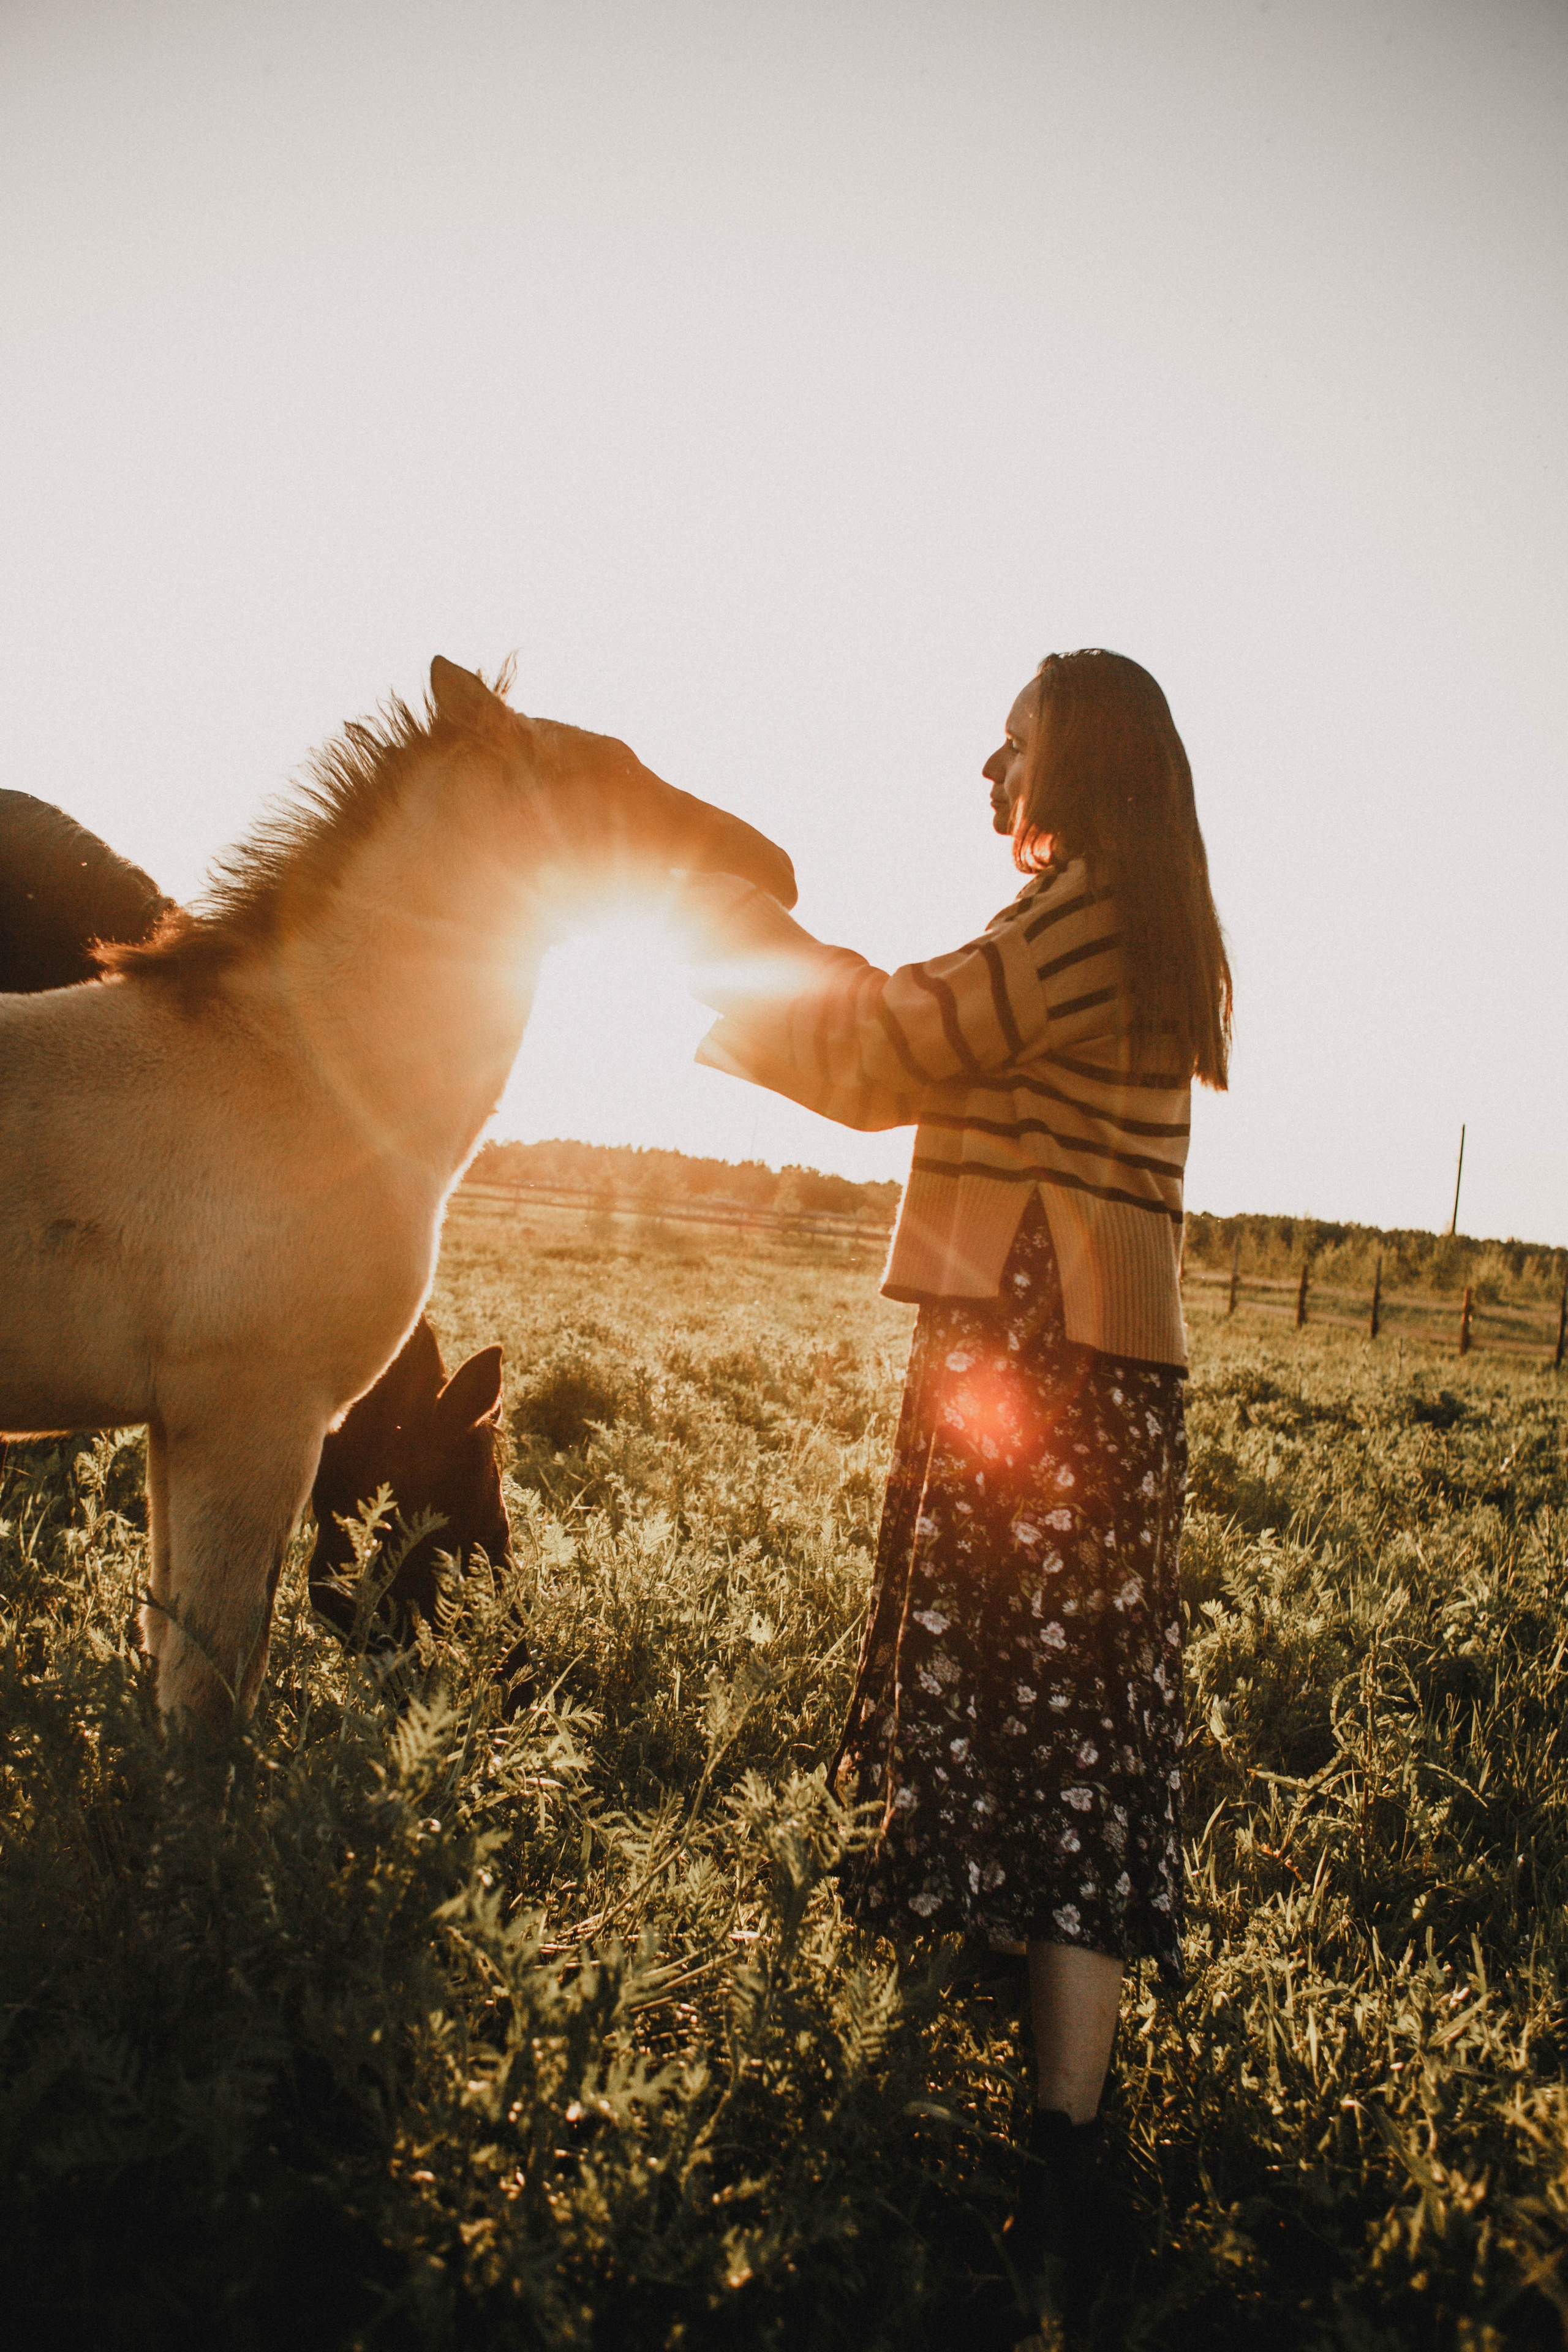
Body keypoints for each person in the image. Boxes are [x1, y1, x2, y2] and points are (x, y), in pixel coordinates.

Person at [674, 648, 1231, 2324]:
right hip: (1057, 1353)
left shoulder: (1084, 911)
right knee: (1045, 1720)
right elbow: (916, 1038)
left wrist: (741, 956)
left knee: (1044, 1730)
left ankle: (1060, 2163)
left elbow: (910, 1038)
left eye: (1015, 742)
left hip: (1038, 1355)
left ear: (1086, 764)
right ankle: (1041, 2129)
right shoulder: (1118, 919)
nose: (988, 770)